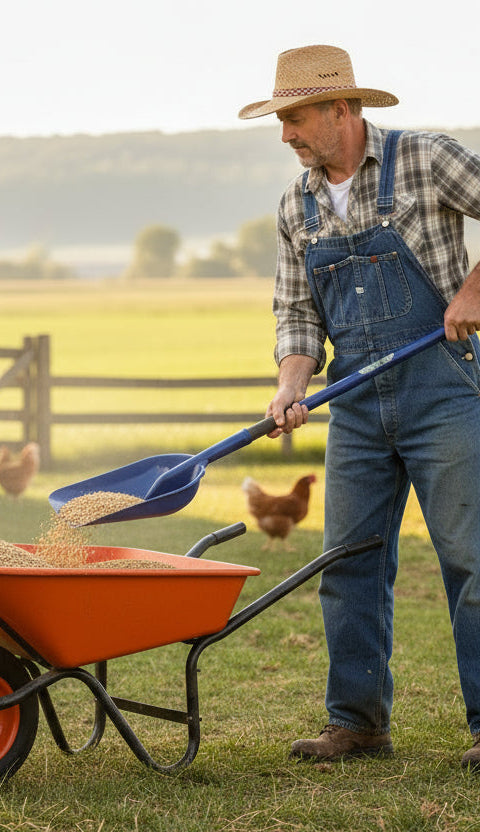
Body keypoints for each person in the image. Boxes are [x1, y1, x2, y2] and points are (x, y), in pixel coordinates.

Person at [238, 44, 480, 768]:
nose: (286, 135)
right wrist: (291, 382)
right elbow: (296, 313)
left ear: (342, 109)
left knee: (472, 557)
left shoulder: (426, 159)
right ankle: (358, 722)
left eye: (296, 118)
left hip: (443, 387)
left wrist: (474, 290)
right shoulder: (296, 203)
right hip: (355, 403)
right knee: (348, 562)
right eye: (281, 121)